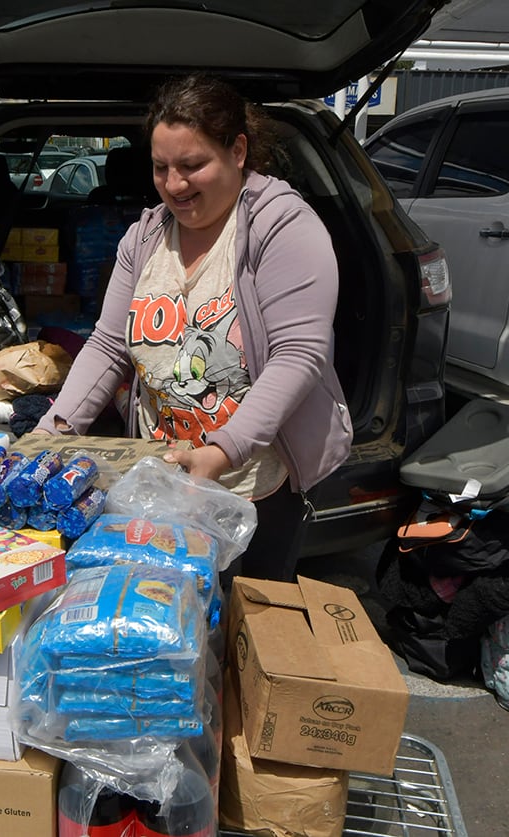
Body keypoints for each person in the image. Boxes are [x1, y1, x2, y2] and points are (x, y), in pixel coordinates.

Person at [33, 73, 352, 582]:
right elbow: (109, 343)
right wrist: (53, 432)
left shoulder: (282, 227)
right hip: (165, 471)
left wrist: (223, 451)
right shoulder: (145, 238)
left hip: (255, 481)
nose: (174, 185)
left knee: (247, 627)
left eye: (192, 165)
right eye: (161, 168)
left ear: (238, 151)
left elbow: (300, 354)